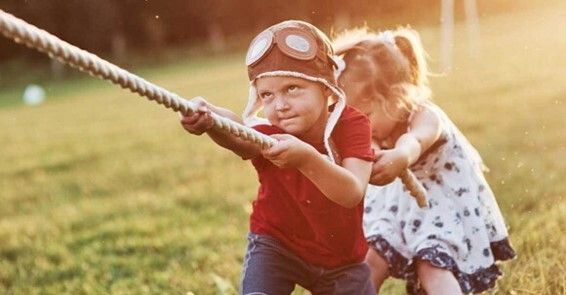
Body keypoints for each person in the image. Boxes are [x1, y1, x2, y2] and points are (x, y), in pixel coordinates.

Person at [181, 20, 376, 294]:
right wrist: (210, 118)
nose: (280, 106)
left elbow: (352, 191)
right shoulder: (268, 133)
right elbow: (237, 132)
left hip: (341, 259)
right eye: (267, 95)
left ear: (325, 87)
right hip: (277, 244)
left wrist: (307, 159)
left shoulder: (352, 124)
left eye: (292, 88)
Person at [332, 27, 516, 294]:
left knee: (431, 268)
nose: (360, 128)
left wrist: (399, 156)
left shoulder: (426, 116)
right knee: (369, 263)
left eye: (366, 116)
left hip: (442, 207)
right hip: (397, 207)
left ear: (396, 97)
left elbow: (415, 141)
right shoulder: (374, 130)